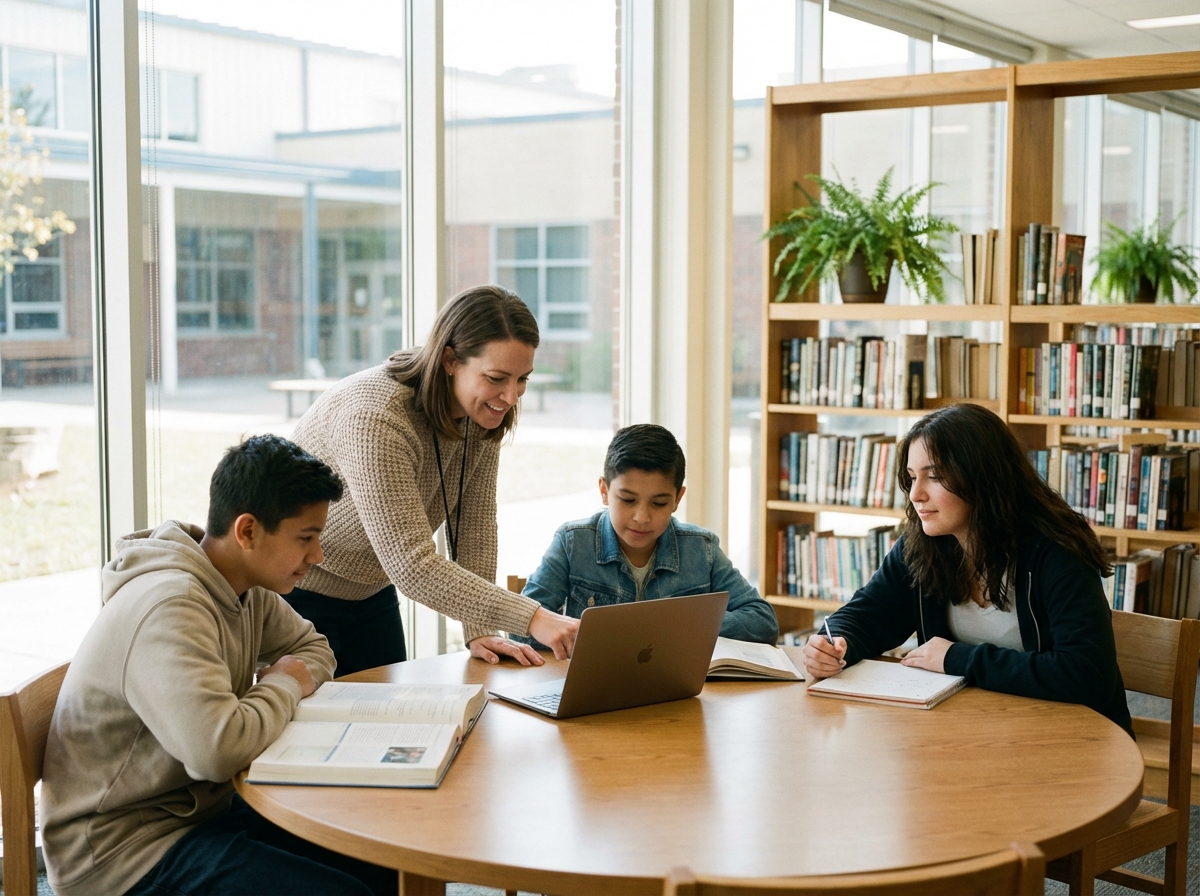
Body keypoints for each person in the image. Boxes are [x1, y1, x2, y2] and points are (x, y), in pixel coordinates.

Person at [41, 435, 397, 896]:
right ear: (247, 531)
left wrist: (276, 685)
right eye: (305, 538)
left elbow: (314, 648)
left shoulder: (243, 586)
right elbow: (218, 751)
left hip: (198, 812)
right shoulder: (170, 606)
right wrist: (282, 685)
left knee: (376, 853)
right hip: (122, 851)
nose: (317, 556)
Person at [287, 284, 579, 674]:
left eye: (522, 379)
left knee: (385, 724)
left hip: (372, 592)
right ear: (449, 359)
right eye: (496, 378)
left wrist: (479, 629)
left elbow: (472, 528)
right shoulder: (377, 416)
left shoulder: (482, 413)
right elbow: (412, 565)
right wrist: (533, 618)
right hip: (296, 592)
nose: (510, 396)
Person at [801, 403, 1133, 737]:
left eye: (934, 476)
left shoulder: (1056, 552)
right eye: (913, 477)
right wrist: (834, 645)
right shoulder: (922, 545)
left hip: (1069, 739)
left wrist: (958, 659)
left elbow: (1085, 675)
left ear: (982, 477)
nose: (916, 494)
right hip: (970, 731)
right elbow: (868, 615)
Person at [518, 424, 778, 645]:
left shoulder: (702, 549)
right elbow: (521, 628)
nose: (641, 517)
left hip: (675, 693)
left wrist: (680, 626)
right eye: (628, 500)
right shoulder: (573, 543)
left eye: (659, 503)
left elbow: (763, 621)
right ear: (604, 491)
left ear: (677, 499)